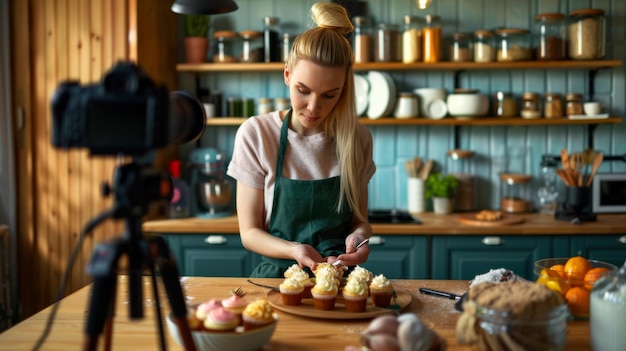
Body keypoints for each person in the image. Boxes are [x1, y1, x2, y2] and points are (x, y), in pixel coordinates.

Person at [226, 2, 376, 278]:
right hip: (278, 280)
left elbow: (360, 222)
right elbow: (249, 233)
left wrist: (360, 240)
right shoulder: (257, 134)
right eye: (303, 91)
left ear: (344, 90)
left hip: (341, 280)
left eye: (330, 95)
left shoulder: (358, 139)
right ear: (287, 75)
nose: (313, 107)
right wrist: (295, 250)